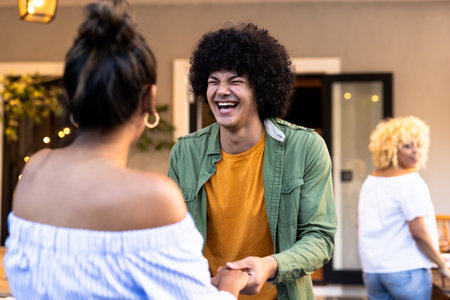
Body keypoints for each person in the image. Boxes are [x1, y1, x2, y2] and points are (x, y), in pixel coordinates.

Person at [3, 1, 249, 299]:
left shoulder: (34, 172)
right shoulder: (155, 199)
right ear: (149, 98)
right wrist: (229, 285)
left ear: (68, 97)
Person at [168, 23, 337, 300]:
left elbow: (320, 238)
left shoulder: (305, 148)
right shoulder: (185, 153)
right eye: (213, 81)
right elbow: (173, 237)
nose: (221, 91)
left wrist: (270, 265)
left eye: (235, 81)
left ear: (261, 89)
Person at [358, 116, 450, 300]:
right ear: (390, 148)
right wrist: (441, 264)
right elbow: (419, 233)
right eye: (407, 146)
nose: (415, 151)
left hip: (373, 272)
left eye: (418, 145)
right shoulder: (410, 181)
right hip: (406, 270)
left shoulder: (370, 181)